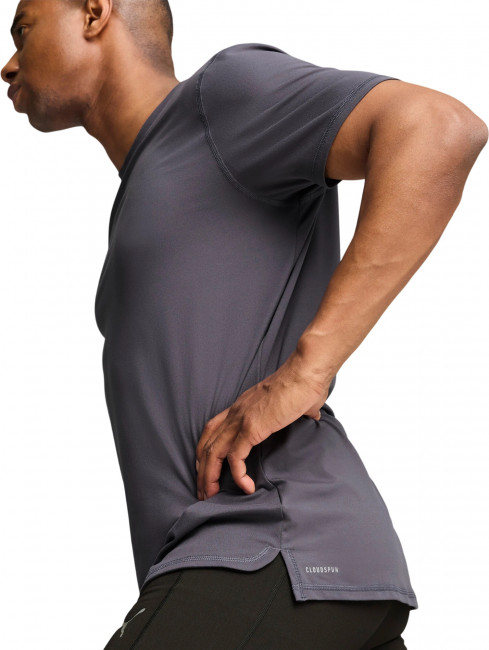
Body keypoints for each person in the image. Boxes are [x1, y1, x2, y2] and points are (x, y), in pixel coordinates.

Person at [3, 1, 487, 648]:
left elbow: (438, 126)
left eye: (23, 30)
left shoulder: (219, 101)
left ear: (94, 13)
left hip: (267, 551)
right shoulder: (152, 180)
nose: (9, 65)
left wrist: (308, 369)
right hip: (285, 573)